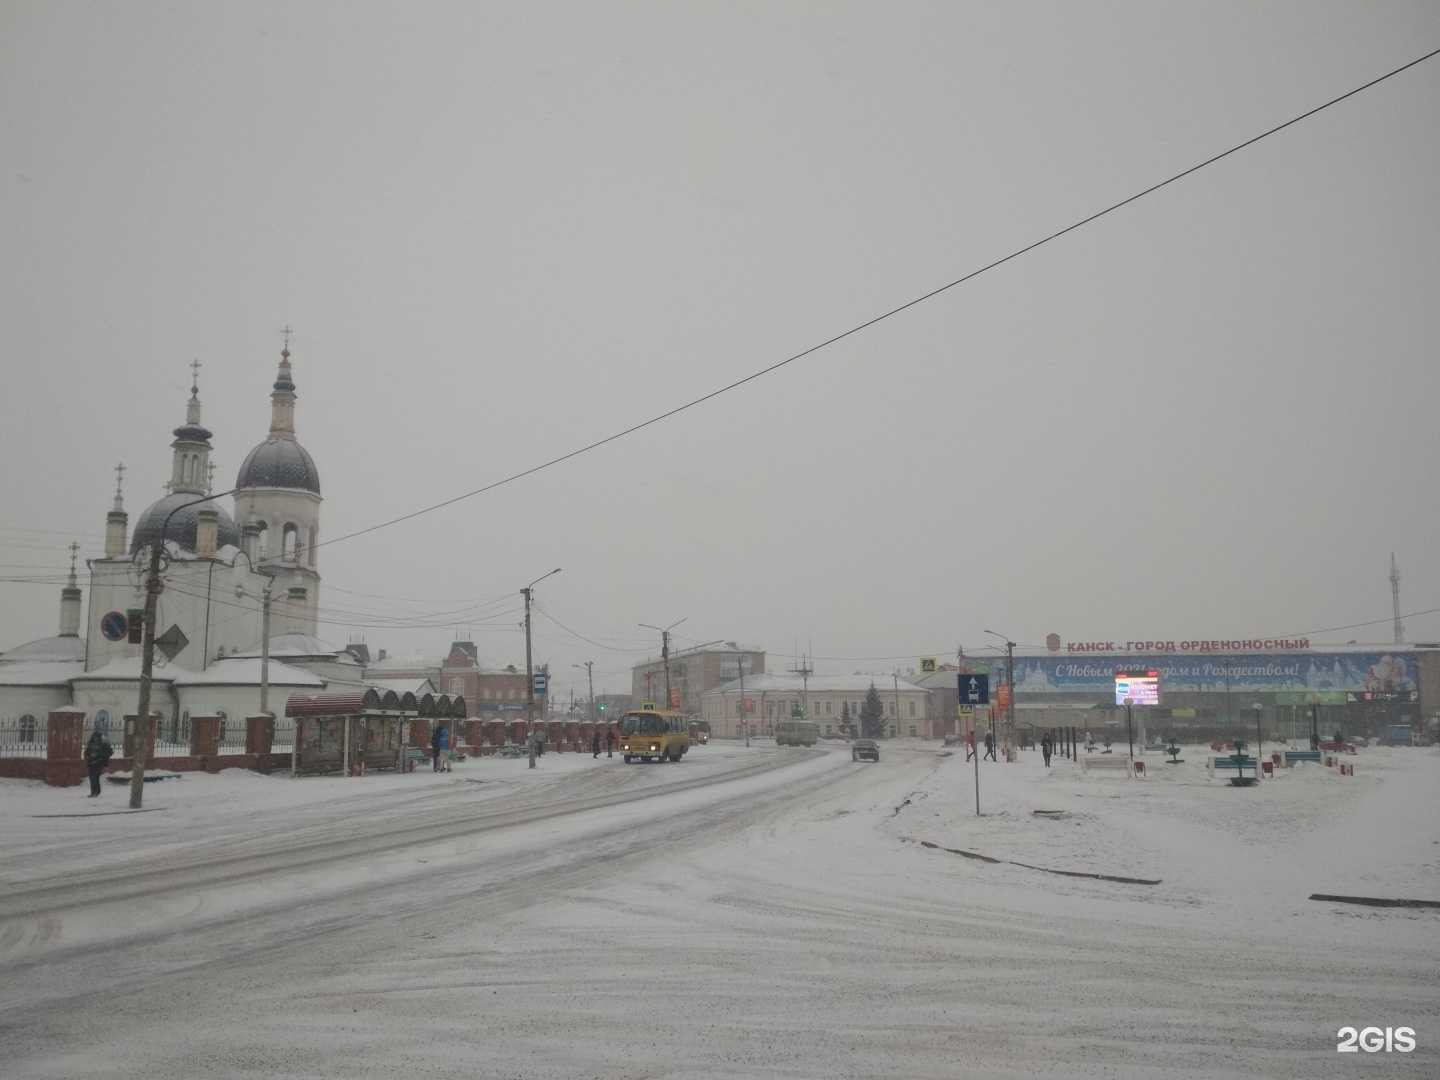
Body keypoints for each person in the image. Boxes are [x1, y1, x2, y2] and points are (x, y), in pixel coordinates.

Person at [84, 728, 113, 797]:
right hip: (91, 763)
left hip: (98, 763)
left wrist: (102, 757)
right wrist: (87, 756)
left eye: (97, 737)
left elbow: (109, 752)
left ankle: (95, 792)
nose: (95, 738)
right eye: (94, 737)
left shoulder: (103, 744)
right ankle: (95, 792)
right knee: (92, 778)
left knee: (95, 777)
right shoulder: (90, 743)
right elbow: (87, 751)